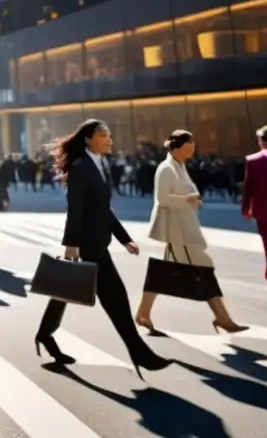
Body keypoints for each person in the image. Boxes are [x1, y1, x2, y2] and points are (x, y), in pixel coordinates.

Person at [34, 119, 171, 378]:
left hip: (98, 242)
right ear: (88, 139)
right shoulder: (79, 167)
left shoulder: (101, 164)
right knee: (116, 297)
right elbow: (75, 210)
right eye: (104, 135)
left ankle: (44, 335)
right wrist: (71, 244)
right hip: (88, 244)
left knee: (67, 288)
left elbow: (102, 208)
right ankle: (139, 352)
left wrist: (123, 237)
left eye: (109, 135)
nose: (110, 139)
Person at [135, 130, 247, 334]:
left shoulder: (179, 166)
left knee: (164, 272)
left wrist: (191, 199)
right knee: (202, 266)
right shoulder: (166, 168)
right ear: (177, 146)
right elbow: (162, 199)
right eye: (190, 144)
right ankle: (222, 318)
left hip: (182, 227)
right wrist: (188, 199)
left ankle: (143, 313)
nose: (193, 148)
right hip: (176, 229)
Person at [242, 125, 267, 294]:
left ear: (261, 141)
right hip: (264, 212)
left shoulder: (253, 160)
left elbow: (248, 187)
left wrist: (246, 209)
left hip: (264, 213)